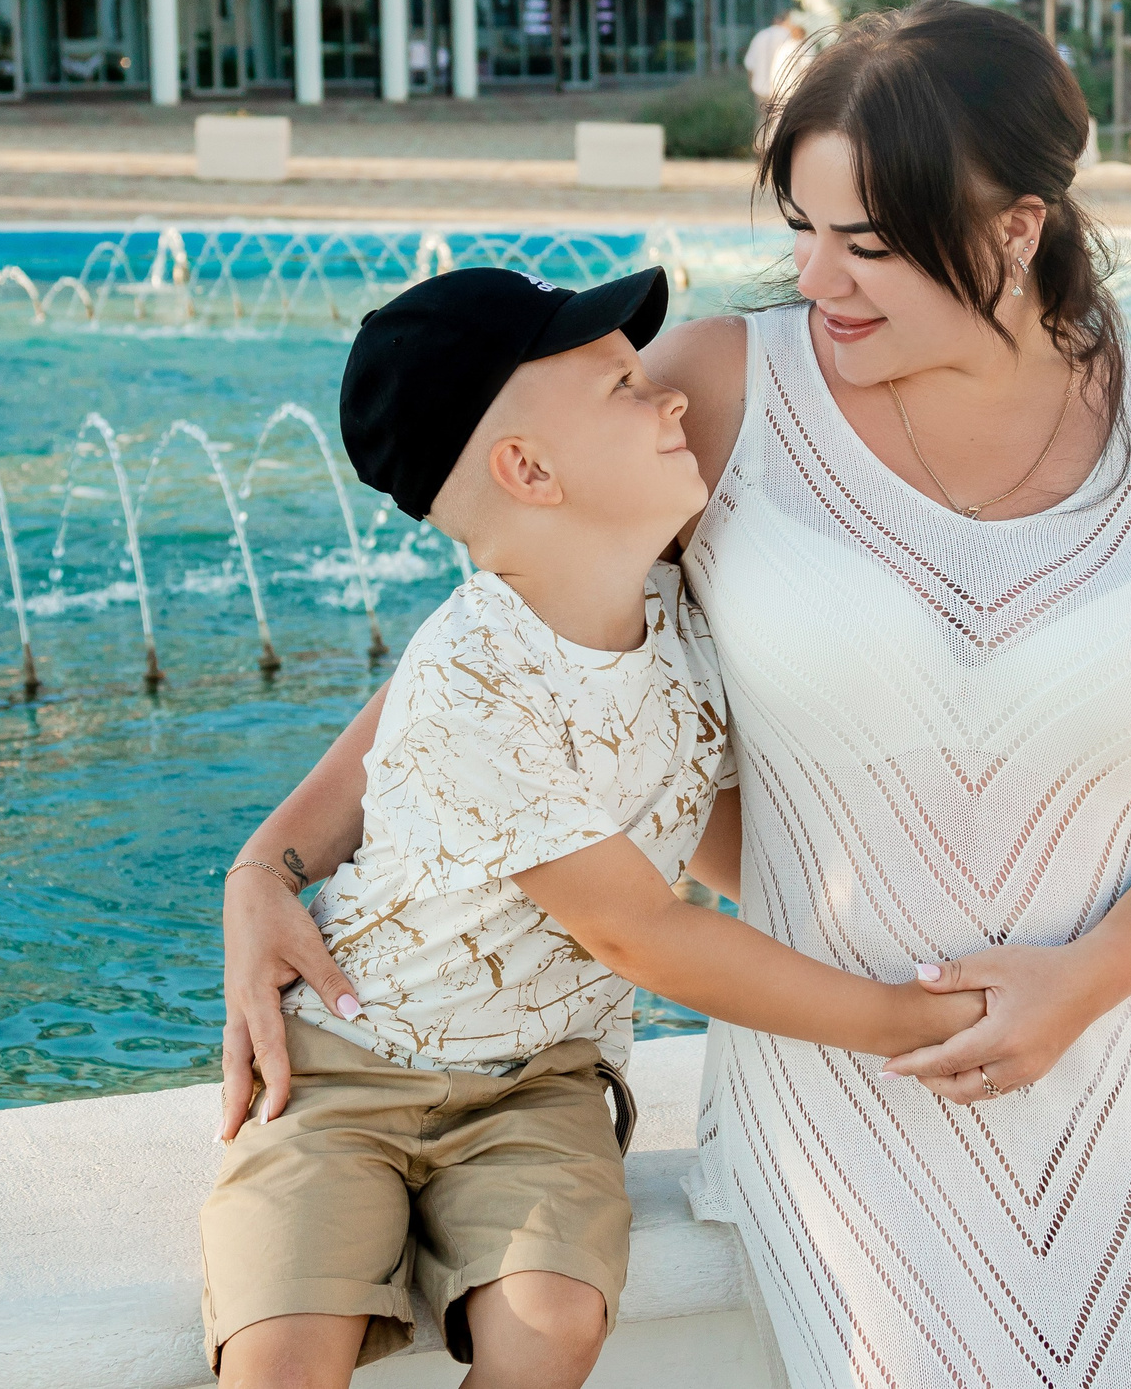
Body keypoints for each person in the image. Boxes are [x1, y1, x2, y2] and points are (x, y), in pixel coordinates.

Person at [223, 2, 1131, 1384]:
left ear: (1016, 227)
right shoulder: (725, 390)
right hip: (847, 1103)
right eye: (804, 229)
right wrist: (270, 859)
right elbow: (505, 660)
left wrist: (1082, 980)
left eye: (865, 243)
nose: (818, 277)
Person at [202, 266, 986, 1389]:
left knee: (554, 1322)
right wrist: (897, 1022)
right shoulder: (474, 679)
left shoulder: (678, 619)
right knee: (281, 1356)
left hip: (540, 1085)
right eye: (623, 387)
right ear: (526, 470)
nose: (669, 398)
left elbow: (703, 831)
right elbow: (640, 932)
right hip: (343, 1069)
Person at [742, 10, 804, 110]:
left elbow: (749, 64)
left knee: (762, 121)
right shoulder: (789, 36)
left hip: (760, 88)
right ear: (787, 21)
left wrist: (751, 86)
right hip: (783, 91)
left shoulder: (760, 35)